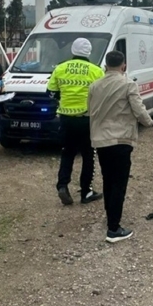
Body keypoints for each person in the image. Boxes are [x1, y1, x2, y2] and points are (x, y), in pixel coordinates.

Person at [88, 50, 153, 243]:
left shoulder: (94, 86)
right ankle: (113, 229)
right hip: (121, 140)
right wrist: (149, 122)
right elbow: (139, 109)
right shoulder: (128, 84)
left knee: (108, 180)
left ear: (105, 66)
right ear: (123, 66)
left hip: (101, 140)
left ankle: (110, 216)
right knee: (119, 183)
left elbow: (90, 110)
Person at [47, 38, 105, 206]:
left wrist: (63, 98)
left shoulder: (60, 68)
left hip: (65, 119)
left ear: (73, 50)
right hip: (87, 120)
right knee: (88, 156)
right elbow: (101, 95)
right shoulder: (96, 71)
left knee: (67, 153)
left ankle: (63, 185)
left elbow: (50, 93)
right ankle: (86, 192)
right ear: (89, 52)